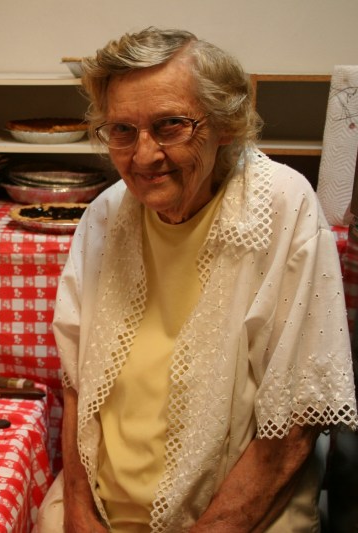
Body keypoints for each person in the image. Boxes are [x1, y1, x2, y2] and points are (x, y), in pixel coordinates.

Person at [37, 27, 358, 532]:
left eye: (170, 125)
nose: (143, 156)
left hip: (240, 518)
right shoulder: (104, 215)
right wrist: (78, 506)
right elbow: (76, 384)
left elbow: (298, 417)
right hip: (99, 508)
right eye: (122, 130)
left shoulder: (282, 207)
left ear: (226, 124)